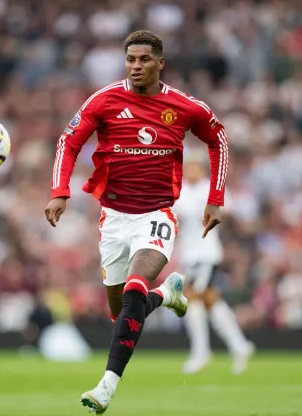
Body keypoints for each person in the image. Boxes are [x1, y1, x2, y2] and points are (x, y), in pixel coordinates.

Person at [44, 30, 229, 414]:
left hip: (157, 214)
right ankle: (166, 295)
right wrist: (59, 190)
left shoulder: (183, 106)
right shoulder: (105, 99)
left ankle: (106, 387)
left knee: (133, 292)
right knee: (122, 314)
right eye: (131, 59)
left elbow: (218, 141)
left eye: (144, 60)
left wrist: (215, 198)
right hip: (113, 219)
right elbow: (68, 141)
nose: (136, 66)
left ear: (160, 63)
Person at [173, 155, 254, 375]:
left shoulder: (210, 189)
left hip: (206, 253)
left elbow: (230, 209)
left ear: (201, 169)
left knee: (191, 298)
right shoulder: (179, 192)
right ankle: (239, 345)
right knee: (211, 301)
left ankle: (201, 352)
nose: (190, 171)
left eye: (194, 167)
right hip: (190, 255)